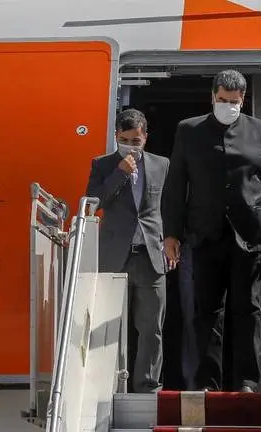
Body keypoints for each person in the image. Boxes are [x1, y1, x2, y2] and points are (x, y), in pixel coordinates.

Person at [162, 69, 261, 392]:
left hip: (251, 235)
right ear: (212, 96)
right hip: (205, 233)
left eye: (233, 101)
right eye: (222, 99)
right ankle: (208, 381)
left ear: (243, 99)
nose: (227, 105)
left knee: (249, 309)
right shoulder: (189, 130)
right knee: (207, 310)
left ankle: (246, 379)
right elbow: (176, 185)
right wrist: (171, 233)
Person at [85, 108, 171, 393]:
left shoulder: (162, 165)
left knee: (151, 328)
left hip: (150, 256)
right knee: (110, 326)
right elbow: (94, 201)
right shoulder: (102, 165)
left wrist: (171, 241)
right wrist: (120, 173)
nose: (131, 146)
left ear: (145, 138)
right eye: (125, 140)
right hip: (115, 256)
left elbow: (169, 207)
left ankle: (147, 387)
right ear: (116, 136)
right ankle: (108, 386)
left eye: (136, 141)